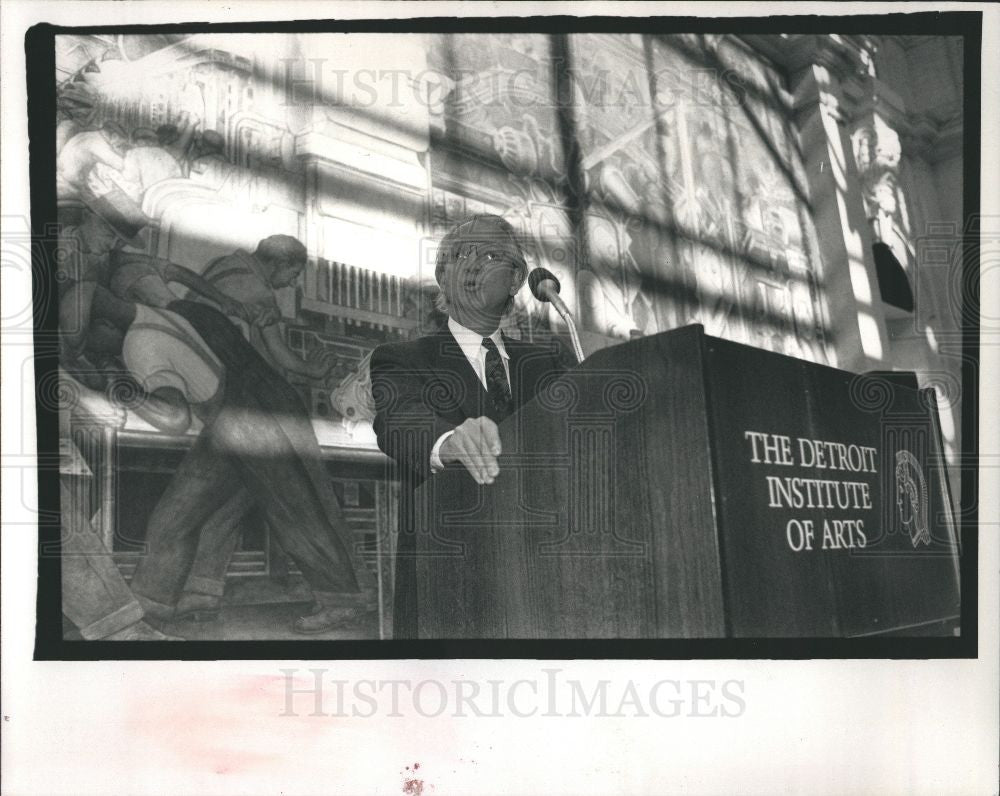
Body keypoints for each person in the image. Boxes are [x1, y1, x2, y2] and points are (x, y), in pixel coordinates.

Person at [112, 297, 375, 634]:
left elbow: (175, 415)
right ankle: (196, 594)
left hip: (244, 412)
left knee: (289, 507)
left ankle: (342, 601)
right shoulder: (189, 310)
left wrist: (125, 394)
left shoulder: (146, 339)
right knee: (218, 510)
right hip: (252, 406)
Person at [369, 214, 570, 638]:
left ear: (516, 280)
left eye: (493, 254)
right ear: (444, 277)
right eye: (461, 255)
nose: (475, 265)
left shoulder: (551, 363)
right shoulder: (403, 358)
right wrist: (449, 441)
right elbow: (399, 420)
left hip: (555, 580)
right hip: (453, 584)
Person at [198, 235, 337, 381]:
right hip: (214, 368)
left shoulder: (220, 262)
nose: (292, 283)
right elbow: (279, 351)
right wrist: (312, 370)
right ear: (280, 264)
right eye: (294, 273)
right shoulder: (260, 293)